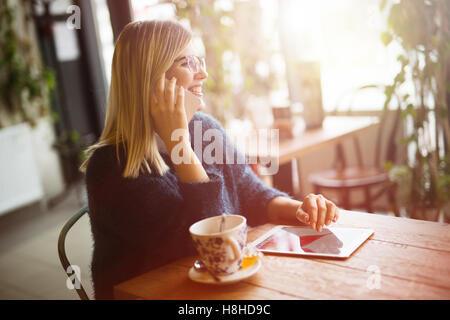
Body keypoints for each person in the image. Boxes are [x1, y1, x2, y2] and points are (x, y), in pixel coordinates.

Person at [80, 20, 339, 300]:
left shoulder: (205, 128)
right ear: (150, 79)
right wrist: (179, 144)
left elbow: (253, 194)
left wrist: (302, 208)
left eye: (200, 60)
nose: (203, 73)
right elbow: (211, 247)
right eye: (188, 62)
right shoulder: (111, 166)